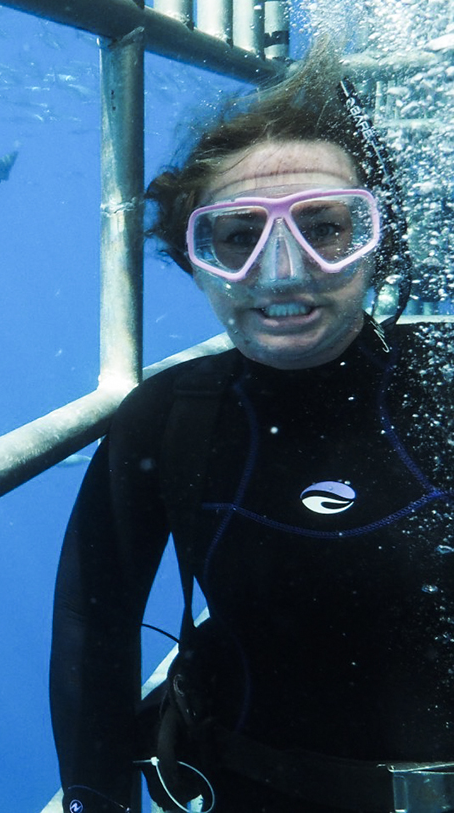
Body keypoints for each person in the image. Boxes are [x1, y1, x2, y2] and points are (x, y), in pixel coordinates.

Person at [50, 45, 454, 813]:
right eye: (236, 239)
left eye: (327, 229)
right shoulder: (168, 419)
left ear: (380, 245)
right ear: (192, 260)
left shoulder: (450, 389)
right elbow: (89, 632)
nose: (282, 274)